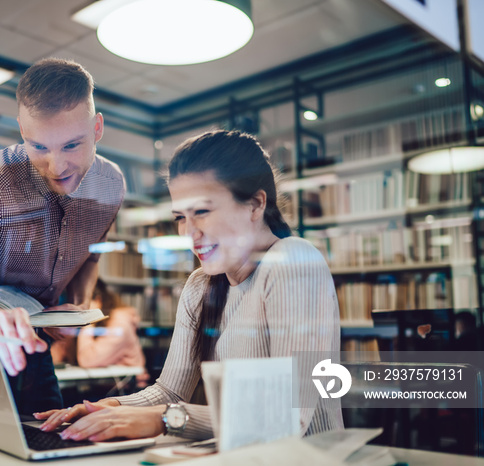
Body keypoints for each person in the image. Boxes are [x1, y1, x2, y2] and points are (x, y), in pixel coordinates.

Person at [35, 130, 343, 441]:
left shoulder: (293, 260)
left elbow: (287, 416)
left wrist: (168, 419)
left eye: (202, 212)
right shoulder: (201, 285)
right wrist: (105, 408)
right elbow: (170, 391)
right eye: (180, 217)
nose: (189, 234)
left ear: (255, 204)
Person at [0, 58, 126, 414]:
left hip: (37, 340)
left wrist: (78, 305)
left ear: (97, 128)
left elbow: (91, 253)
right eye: (39, 147)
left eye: (70, 146)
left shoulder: (111, 184)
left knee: (44, 437)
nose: (56, 166)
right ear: (21, 130)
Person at [76, 279, 148, 386]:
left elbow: (87, 360)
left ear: (98, 301)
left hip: (128, 390)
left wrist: (89, 317)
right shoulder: (105, 323)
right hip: (108, 387)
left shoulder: (120, 324)